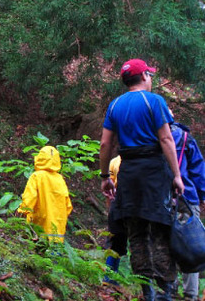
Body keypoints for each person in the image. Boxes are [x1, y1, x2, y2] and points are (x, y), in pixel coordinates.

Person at [99, 59, 184, 301]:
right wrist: (177, 175)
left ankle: (146, 292)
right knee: (161, 230)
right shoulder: (154, 101)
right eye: (150, 74)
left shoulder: (115, 105)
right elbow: (167, 140)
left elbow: (106, 143)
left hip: (128, 174)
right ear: (144, 75)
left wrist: (105, 176)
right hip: (154, 173)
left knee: (136, 233)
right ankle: (165, 292)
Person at [170, 120, 205, 301]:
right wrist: (202, 196)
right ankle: (191, 294)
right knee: (190, 244)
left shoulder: (151, 137)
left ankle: (169, 288)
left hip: (162, 199)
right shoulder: (185, 138)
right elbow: (198, 170)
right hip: (187, 197)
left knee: (166, 242)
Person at [17, 145, 73, 243]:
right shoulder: (60, 179)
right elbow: (68, 206)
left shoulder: (36, 177)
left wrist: (21, 213)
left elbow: (29, 200)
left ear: (40, 158)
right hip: (57, 232)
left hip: (39, 229)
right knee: (54, 256)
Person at [103, 155, 128, 284]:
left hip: (118, 203)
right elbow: (109, 187)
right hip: (120, 202)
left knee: (118, 240)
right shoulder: (114, 162)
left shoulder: (114, 161)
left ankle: (112, 276)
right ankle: (108, 276)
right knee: (116, 240)